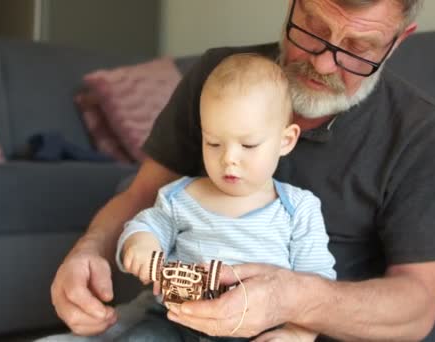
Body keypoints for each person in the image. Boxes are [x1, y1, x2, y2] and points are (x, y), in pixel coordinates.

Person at [49, 0, 435, 340]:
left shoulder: (420, 133)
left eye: (357, 49)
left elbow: (417, 305)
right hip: (173, 319)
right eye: (312, 28)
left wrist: (296, 304)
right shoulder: (218, 75)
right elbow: (143, 197)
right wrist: (89, 250)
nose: (324, 63)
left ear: (396, 42)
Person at [113, 53, 335, 342]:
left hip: (257, 329)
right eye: (214, 143)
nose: (229, 158)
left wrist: (299, 333)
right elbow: (146, 226)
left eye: (248, 144)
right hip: (177, 322)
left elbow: (316, 284)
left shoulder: (298, 208)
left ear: (285, 141)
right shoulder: (180, 196)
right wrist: (141, 244)